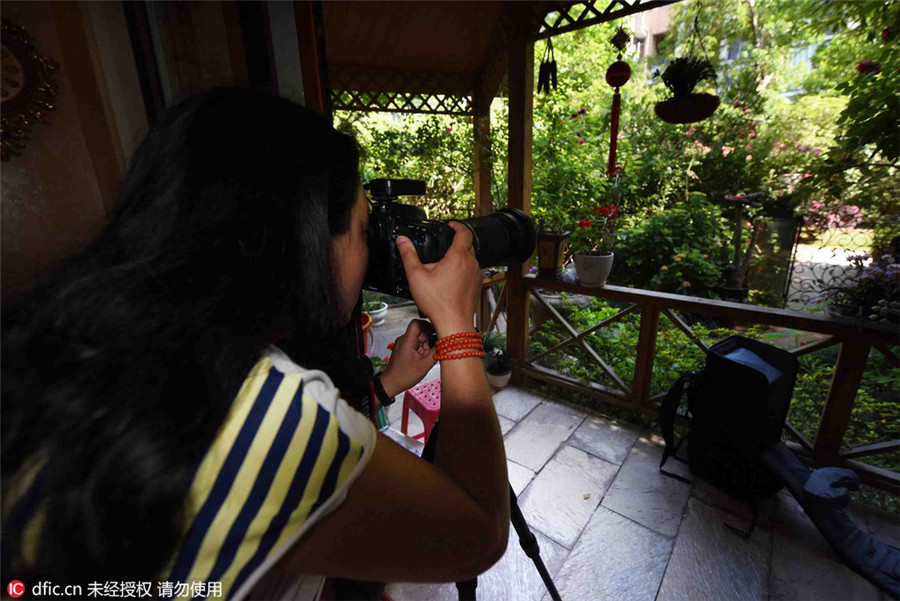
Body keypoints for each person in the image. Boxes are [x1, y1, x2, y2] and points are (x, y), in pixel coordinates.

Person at [1, 88, 509, 599]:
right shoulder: (267, 407)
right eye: (360, 229)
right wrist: (457, 327)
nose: (368, 252)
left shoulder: (66, 343)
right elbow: (479, 536)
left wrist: (389, 383)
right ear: (310, 242)